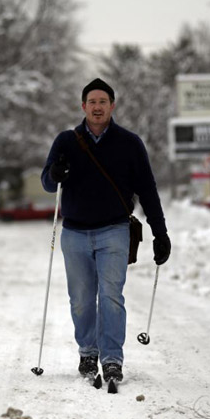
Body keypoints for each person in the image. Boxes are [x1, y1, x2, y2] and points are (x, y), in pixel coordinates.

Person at [41, 78, 171, 384]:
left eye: (103, 102)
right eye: (92, 102)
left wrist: (160, 232)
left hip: (114, 230)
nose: (97, 107)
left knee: (111, 296)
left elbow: (148, 191)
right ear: (83, 106)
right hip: (74, 234)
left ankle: (112, 359)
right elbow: (48, 182)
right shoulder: (66, 141)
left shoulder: (129, 143)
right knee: (82, 298)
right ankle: (88, 352)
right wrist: (55, 173)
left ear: (112, 106)